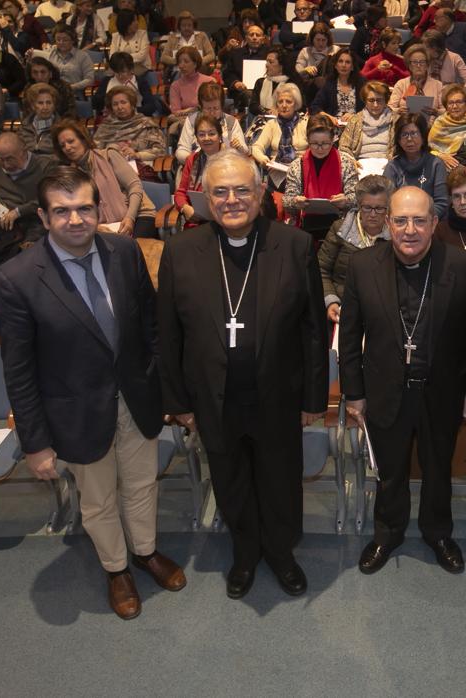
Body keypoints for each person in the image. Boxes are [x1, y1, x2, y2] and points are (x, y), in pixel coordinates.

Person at [0, 166, 185, 621]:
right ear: (43, 217)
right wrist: (35, 442)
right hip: (75, 410)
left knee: (141, 484)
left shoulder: (124, 251)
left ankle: (145, 551)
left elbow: (150, 326)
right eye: (62, 211)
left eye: (84, 207)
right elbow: (17, 370)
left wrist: (160, 384)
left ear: (99, 208)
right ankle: (116, 569)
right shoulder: (16, 278)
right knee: (98, 499)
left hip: (136, 397)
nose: (75, 219)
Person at [158, 149, 329, 600]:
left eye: (242, 190)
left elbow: (313, 328)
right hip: (214, 397)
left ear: (260, 193)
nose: (232, 200)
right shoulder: (181, 252)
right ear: (205, 199)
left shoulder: (294, 246)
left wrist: (314, 398)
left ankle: (280, 553)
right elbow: (167, 334)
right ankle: (245, 552)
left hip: (278, 394)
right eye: (220, 191)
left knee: (279, 478)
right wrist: (177, 403)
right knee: (230, 480)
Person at [339, 183, 466, 575]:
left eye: (419, 220)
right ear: (387, 222)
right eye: (400, 220)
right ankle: (387, 533)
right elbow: (349, 336)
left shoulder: (464, 267)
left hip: (443, 390)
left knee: (439, 469)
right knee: (390, 471)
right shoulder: (363, 265)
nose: (410, 229)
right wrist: (354, 393)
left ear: (435, 223)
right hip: (384, 389)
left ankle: (438, 533)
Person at [0, 131, 58, 342]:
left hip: (36, 223)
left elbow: (50, 198)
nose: (4, 164)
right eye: (0, 158)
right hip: (3, 227)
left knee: (21, 262)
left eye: (10, 159)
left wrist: (19, 211)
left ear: (24, 152)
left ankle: (31, 324)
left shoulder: (45, 166)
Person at [52, 119, 156, 238]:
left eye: (71, 141)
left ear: (83, 140)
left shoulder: (108, 155)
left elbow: (135, 186)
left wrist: (130, 218)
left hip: (138, 215)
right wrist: (95, 227)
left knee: (128, 249)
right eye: (63, 145)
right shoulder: (71, 176)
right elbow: (78, 210)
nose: (67, 147)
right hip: (104, 226)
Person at [319, 175, 393, 323]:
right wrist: (331, 300)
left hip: (384, 311)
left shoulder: (397, 234)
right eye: (367, 208)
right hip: (343, 306)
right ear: (358, 205)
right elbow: (321, 270)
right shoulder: (340, 229)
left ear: (388, 208)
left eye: (379, 208)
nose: (372, 214)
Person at [282, 114, 358, 240]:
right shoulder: (297, 165)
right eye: (315, 144)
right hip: (306, 224)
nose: (320, 148)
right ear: (307, 140)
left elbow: (357, 198)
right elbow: (286, 201)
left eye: (325, 143)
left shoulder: (345, 162)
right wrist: (295, 202)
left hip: (340, 225)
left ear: (333, 139)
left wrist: (346, 200)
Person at [384, 114, 449, 219]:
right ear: (399, 140)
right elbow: (387, 203)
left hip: (429, 223)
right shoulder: (392, 167)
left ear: (423, 137)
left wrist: (421, 220)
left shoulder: (436, 164)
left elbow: (442, 203)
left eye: (414, 133)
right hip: (400, 223)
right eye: (404, 134)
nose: (409, 139)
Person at [250, 82, 308, 188]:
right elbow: (256, 147)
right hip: (277, 171)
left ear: (296, 104)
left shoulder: (305, 123)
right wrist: (263, 159)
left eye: (288, 102)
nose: (284, 105)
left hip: (301, 171)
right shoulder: (272, 124)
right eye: (280, 102)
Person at [92, 86, 166, 169]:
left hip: (141, 167)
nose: (120, 107)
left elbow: (160, 151)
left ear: (132, 104)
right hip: (110, 169)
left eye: (123, 102)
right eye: (115, 104)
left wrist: (137, 155)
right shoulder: (105, 127)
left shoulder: (146, 124)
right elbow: (94, 153)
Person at [175, 82, 248, 164]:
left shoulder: (231, 121)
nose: (212, 112)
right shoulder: (192, 121)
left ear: (222, 106)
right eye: (208, 109)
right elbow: (181, 150)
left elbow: (244, 151)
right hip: (198, 167)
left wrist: (238, 148)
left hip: (226, 166)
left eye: (216, 108)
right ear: (201, 107)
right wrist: (193, 160)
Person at [174, 113, 223, 228]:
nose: (206, 138)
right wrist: (185, 208)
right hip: (197, 222)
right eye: (201, 134)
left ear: (220, 136)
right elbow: (180, 193)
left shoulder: (231, 159)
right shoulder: (192, 159)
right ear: (196, 138)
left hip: (225, 220)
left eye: (211, 134)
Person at [428, 84, 466, 172]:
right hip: (444, 166)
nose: (454, 106)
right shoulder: (440, 122)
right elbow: (429, 150)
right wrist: (441, 155)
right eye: (451, 103)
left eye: (459, 102)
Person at [339, 82, 396, 162]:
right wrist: (352, 162)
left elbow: (403, 149)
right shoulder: (355, 120)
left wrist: (392, 163)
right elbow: (343, 147)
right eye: (371, 100)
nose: (375, 105)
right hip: (360, 164)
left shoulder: (396, 120)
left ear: (386, 101)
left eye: (379, 100)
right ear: (365, 101)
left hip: (388, 163)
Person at [389, 45, 444, 116]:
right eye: (414, 62)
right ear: (409, 65)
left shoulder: (438, 85)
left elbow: (446, 111)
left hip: (431, 125)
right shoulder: (401, 84)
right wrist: (398, 111)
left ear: (427, 65)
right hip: (405, 124)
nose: (418, 65)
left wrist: (436, 112)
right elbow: (390, 108)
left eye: (422, 62)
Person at [310, 48, 363, 122]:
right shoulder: (329, 84)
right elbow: (314, 107)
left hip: (356, 126)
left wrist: (356, 116)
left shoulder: (361, 84)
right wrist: (328, 117)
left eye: (347, 62)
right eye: (340, 61)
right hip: (334, 127)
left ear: (352, 67)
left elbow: (370, 109)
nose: (343, 65)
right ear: (335, 65)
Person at [167, 47, 215, 121]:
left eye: (186, 62)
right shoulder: (175, 86)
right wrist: (193, 110)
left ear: (195, 64)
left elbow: (213, 108)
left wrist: (187, 111)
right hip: (184, 122)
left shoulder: (209, 82)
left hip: (208, 121)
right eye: (179, 62)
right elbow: (175, 112)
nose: (181, 65)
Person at [249, 46, 295, 117]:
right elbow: (253, 105)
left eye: (271, 62)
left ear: (281, 65)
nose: (266, 65)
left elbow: (298, 107)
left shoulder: (292, 84)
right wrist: (268, 111)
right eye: (266, 61)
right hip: (262, 121)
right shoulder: (260, 82)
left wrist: (279, 112)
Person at [47, 25, 94, 93]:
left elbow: (89, 79)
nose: (61, 42)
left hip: (75, 94)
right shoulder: (50, 54)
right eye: (58, 40)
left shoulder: (83, 56)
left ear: (73, 40)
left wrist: (71, 87)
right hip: (53, 93)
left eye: (65, 40)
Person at [107, 9, 150, 80]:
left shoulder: (142, 34)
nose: (137, 23)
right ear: (125, 22)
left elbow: (142, 56)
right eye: (134, 21)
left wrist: (121, 58)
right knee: (107, 77)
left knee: (125, 76)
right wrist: (123, 62)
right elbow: (112, 56)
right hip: (119, 68)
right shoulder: (116, 36)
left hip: (139, 67)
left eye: (137, 20)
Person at [18, 82, 60, 154]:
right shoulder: (24, 127)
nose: (45, 107)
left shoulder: (61, 127)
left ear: (54, 105)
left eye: (49, 103)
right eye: (40, 103)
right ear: (33, 106)